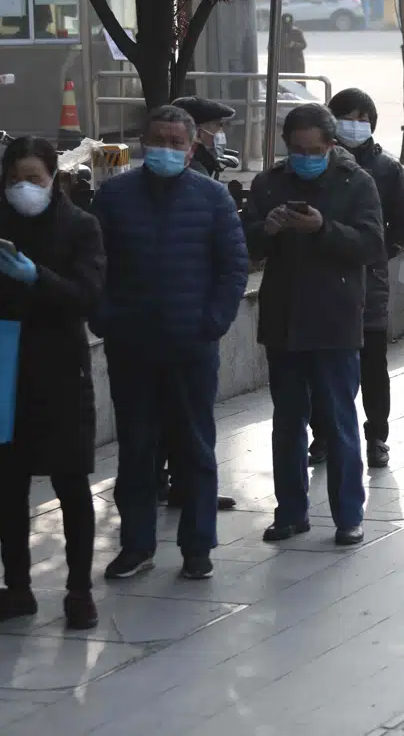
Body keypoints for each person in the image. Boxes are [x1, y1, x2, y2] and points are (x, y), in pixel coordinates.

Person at [0, 137, 105, 629]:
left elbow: (86, 296)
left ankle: (79, 590)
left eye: (35, 179)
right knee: (8, 484)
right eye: (15, 179)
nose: (24, 188)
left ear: (54, 178)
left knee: (71, 481)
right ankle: (17, 587)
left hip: (60, 369)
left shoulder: (80, 226)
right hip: (4, 370)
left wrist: (37, 276)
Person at [92, 105, 249, 582]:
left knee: (195, 448)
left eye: (176, 142)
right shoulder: (114, 197)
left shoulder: (213, 197)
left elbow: (234, 266)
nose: (166, 149)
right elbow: (95, 265)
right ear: (142, 142)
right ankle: (136, 545)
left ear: (191, 147)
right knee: (136, 449)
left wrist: (213, 322)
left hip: (191, 346)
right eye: (157, 140)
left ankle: (197, 547)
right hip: (131, 345)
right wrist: (106, 320)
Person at [243, 104, 385, 546]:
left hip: (335, 317)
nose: (306, 157)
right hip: (284, 318)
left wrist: (324, 228)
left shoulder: (356, 182)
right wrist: (266, 229)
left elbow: (372, 244)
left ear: (331, 146)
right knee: (287, 421)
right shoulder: (269, 184)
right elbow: (244, 241)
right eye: (297, 149)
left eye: (315, 150)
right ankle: (290, 512)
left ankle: (348, 515)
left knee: (339, 419)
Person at [307, 88, 404, 470]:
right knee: (322, 364)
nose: (355, 125)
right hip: (322, 280)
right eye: (347, 117)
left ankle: (376, 437)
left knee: (372, 363)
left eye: (363, 118)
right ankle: (322, 434)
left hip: (368, 281)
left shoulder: (386, 168)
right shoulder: (316, 162)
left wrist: (379, 250)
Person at [165, 96, 241, 514]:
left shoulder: (205, 173)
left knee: (185, 411)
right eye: (214, 127)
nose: (219, 135)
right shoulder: (192, 178)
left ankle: (181, 482)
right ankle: (184, 485)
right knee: (186, 413)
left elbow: (232, 264)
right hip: (176, 320)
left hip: (197, 320)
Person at [172, 95, 236, 180]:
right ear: (196, 133)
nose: (221, 132)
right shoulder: (197, 173)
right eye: (218, 125)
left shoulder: (191, 161)